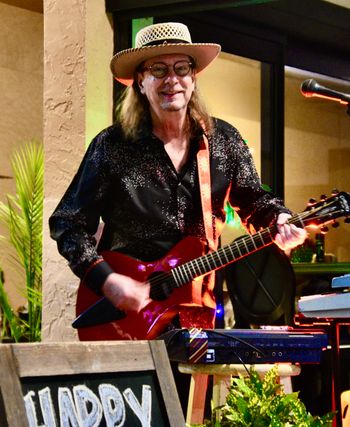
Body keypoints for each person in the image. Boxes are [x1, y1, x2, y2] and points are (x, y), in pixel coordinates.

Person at [49, 21, 306, 341]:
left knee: (190, 393)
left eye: (181, 68)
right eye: (158, 69)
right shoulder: (112, 146)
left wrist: (279, 218)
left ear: (193, 78)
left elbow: (256, 199)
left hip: (197, 312)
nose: (172, 79)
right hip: (126, 317)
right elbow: (68, 222)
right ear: (140, 82)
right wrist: (108, 280)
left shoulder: (223, 141)